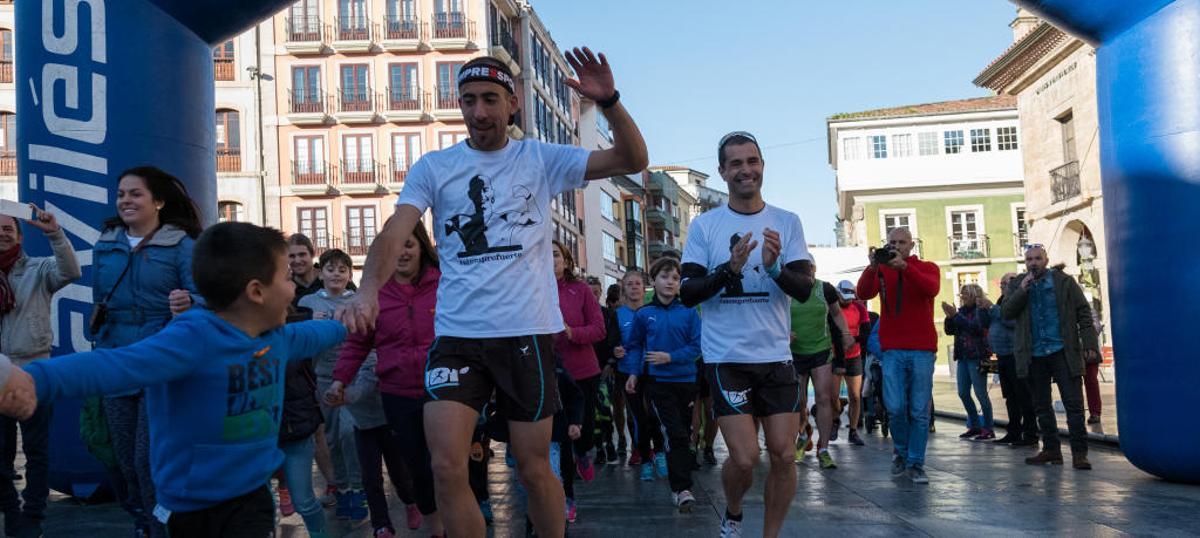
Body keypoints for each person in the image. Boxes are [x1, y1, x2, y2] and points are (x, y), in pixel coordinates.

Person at [338, 47, 647, 537]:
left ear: (512, 104)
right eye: (468, 100)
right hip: (458, 335)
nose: (478, 111)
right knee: (445, 468)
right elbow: (398, 229)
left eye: (489, 99)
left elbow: (632, 158)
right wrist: (368, 291)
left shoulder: (540, 158)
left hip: (524, 335)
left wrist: (609, 101)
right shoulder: (435, 167)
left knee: (532, 468)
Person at [17, 222, 347, 537]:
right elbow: (114, 365)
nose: (294, 288)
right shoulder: (192, 339)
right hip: (190, 506)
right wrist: (31, 380)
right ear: (256, 292)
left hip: (250, 498)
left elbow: (311, 332)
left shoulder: (275, 337)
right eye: (287, 279)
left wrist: (346, 320)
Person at [680, 131, 815, 538]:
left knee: (783, 456)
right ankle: (734, 512)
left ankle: (769, 535)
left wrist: (774, 269)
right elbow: (688, 293)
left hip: (775, 358)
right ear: (722, 172)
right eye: (735, 163)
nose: (745, 170)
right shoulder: (705, 226)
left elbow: (805, 289)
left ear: (762, 167)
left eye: (751, 161)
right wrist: (729, 269)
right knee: (743, 459)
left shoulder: (787, 222)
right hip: (727, 359)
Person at [92, 166, 203, 537]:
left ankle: (162, 528)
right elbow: (100, 302)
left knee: (148, 461)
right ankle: (142, 521)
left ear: (157, 201)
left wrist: (190, 301)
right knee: (123, 461)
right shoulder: (105, 244)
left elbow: (207, 297)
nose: (126, 200)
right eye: (122, 193)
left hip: (162, 361)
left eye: (135, 193)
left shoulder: (183, 246)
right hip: (117, 361)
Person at [326, 225, 444, 537]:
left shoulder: (445, 284)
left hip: (444, 390)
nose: (402, 253)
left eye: (409, 245)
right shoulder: (375, 292)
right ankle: (437, 529)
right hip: (398, 394)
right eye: (395, 247)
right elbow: (358, 343)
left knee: (448, 465)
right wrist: (340, 380)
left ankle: (459, 520)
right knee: (418, 467)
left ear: (422, 248)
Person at [0, 206, 81, 537]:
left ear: (20, 236)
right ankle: (12, 516)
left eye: (9, 229)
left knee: (36, 452)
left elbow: (71, 270)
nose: (3, 233)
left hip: (35, 371)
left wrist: (54, 233)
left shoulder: (38, 269)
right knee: (0, 458)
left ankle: (33, 516)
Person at [855, 227, 941, 485]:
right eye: (892, 242)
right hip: (892, 349)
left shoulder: (927, 267)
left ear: (911, 245)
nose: (897, 246)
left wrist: (905, 267)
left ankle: (915, 462)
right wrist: (872, 267)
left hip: (922, 349)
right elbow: (863, 292)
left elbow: (931, 288)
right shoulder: (881, 270)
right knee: (894, 407)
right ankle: (901, 453)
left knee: (918, 410)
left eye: (902, 242)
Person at [1002, 246, 1099, 470]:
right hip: (1033, 354)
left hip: (1063, 351)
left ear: (1046, 260)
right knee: (1041, 406)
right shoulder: (1018, 284)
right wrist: (1022, 290)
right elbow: (1006, 313)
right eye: (1029, 259)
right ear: (1025, 262)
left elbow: (1084, 312)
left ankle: (1079, 453)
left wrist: (1090, 345)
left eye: (1037, 258)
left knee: (1074, 404)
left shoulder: (1063, 282)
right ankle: (1051, 450)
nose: (1033, 263)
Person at [623, 257, 702, 512]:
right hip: (658, 383)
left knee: (685, 433)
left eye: (675, 278)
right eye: (665, 277)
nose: (670, 282)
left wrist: (672, 356)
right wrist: (634, 373)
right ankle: (682, 489)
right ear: (653, 281)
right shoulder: (644, 314)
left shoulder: (690, 312)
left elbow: (698, 346)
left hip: (687, 381)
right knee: (674, 432)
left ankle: (681, 484)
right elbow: (634, 346)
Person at [298, 249, 366, 521]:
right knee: (330, 438)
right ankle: (342, 488)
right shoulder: (308, 302)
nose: (336, 274)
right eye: (330, 269)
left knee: (350, 432)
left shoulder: (359, 301)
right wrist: (309, 324)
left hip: (353, 377)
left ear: (349, 274)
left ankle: (358, 486)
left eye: (341, 269)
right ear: (321, 272)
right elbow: (298, 338)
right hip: (321, 378)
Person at [285, 232, 339, 505]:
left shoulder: (331, 277)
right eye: (291, 256)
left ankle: (347, 481)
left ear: (312, 254)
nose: (297, 260)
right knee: (317, 427)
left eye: (301, 254)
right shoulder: (286, 288)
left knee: (339, 428)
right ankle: (332, 483)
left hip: (332, 363)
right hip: (303, 368)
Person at [788, 265, 855, 470]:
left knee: (824, 398)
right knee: (798, 402)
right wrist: (783, 333)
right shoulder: (786, 289)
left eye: (807, 268)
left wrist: (845, 334)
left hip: (820, 350)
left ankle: (824, 449)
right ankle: (801, 435)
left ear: (814, 269)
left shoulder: (824, 289)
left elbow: (836, 314)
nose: (804, 273)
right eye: (798, 270)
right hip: (795, 352)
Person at [552, 241, 606, 491]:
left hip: (583, 372)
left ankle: (582, 452)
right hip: (550, 373)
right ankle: (567, 497)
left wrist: (572, 332)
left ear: (566, 261)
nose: (550, 260)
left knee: (582, 432)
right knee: (559, 437)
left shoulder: (580, 289)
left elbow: (599, 329)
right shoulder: (531, 289)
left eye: (554, 254)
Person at [613, 269, 664, 478]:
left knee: (655, 415)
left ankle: (660, 454)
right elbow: (611, 341)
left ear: (644, 289)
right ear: (623, 290)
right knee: (639, 418)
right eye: (629, 284)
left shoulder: (655, 311)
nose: (634, 287)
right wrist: (614, 350)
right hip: (627, 371)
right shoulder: (617, 315)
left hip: (653, 370)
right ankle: (644, 458)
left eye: (637, 284)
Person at [276, 336, 329, 536]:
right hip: (257, 437)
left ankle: (321, 534)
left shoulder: (289, 337)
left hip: (294, 430)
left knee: (304, 502)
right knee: (258, 503)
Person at [942, 283, 996, 440]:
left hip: (978, 356)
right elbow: (950, 331)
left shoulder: (980, 311)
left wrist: (956, 317)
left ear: (973, 295)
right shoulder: (960, 312)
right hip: (963, 356)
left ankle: (988, 427)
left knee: (981, 393)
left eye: (965, 293)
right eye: (961, 294)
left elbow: (976, 328)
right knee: (963, 393)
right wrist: (949, 317)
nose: (962, 296)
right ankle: (974, 425)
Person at [989, 273, 1037, 446]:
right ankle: (1014, 431)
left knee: (1023, 395)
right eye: (1001, 283)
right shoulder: (1002, 300)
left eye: (1006, 282)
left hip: (1016, 354)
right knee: (1010, 396)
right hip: (1003, 355)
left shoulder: (1019, 300)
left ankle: (1030, 434)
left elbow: (1012, 322)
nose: (1002, 285)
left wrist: (993, 310)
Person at [833, 280, 871, 447]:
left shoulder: (859, 308)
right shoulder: (832, 307)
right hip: (835, 356)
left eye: (850, 298)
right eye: (844, 298)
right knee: (832, 396)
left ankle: (853, 430)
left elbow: (866, 333)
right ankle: (835, 418)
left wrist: (852, 340)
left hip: (854, 355)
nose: (848, 301)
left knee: (855, 396)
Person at [589, 278, 621, 465]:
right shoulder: (580, 314)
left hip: (604, 370)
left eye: (596, 292)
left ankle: (609, 444)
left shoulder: (608, 315)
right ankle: (598, 447)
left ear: (601, 293)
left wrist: (610, 364)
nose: (593, 295)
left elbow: (614, 341)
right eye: (589, 291)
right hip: (584, 371)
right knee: (590, 413)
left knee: (604, 410)